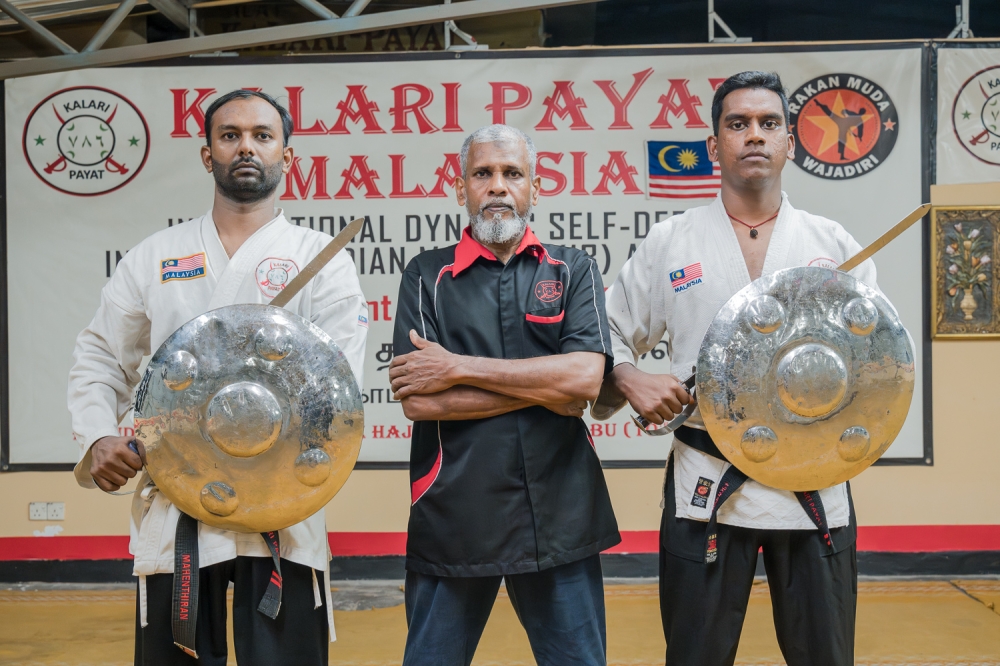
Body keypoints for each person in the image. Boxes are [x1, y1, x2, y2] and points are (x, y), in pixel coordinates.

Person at [67, 89, 368, 666]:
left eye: (262, 135)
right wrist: (99, 436)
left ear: (288, 154)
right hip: (175, 503)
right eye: (230, 136)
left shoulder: (320, 258)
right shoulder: (158, 255)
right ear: (208, 155)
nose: (246, 147)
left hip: (282, 506)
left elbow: (338, 387)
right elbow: (100, 356)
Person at [603, 71, 886, 666]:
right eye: (737, 124)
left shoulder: (833, 246)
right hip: (708, 479)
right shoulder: (672, 243)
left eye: (769, 124)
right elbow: (607, 332)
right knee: (694, 655)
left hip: (814, 481)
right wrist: (630, 377)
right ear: (714, 146)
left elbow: (879, 366)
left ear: (789, 142)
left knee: (825, 657)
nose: (753, 135)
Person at [388, 124, 620, 666]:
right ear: (461, 187)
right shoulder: (425, 276)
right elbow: (419, 403)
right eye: (483, 174)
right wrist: (546, 390)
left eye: (512, 173)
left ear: (534, 189)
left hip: (560, 514)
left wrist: (457, 368)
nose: (497, 186)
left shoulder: (572, 269)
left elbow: (585, 380)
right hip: (454, 515)